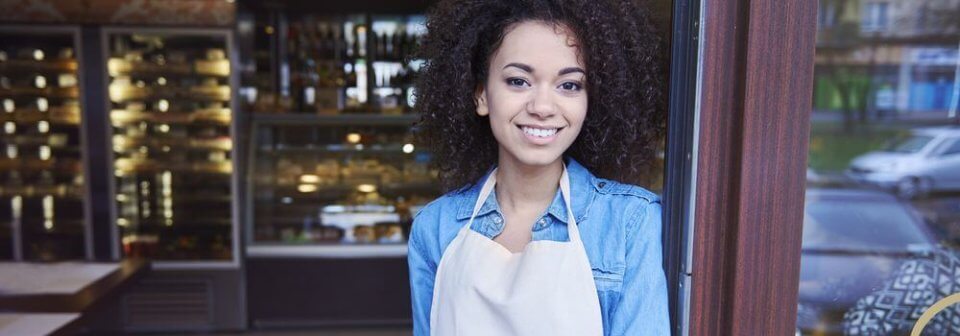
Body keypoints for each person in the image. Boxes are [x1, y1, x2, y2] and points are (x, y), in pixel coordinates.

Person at [408, 0, 669, 335]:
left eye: (569, 85)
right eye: (518, 81)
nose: (543, 107)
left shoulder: (629, 224)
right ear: (481, 96)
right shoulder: (435, 228)